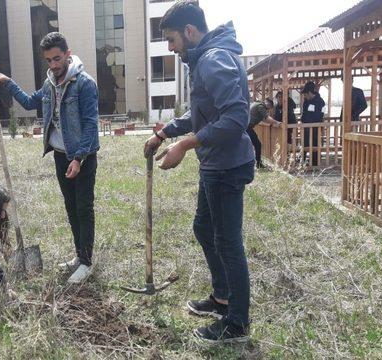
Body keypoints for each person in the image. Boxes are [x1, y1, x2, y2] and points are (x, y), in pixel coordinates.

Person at [144, 1, 254, 344]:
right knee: (204, 228)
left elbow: (237, 118)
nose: (171, 48)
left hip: (228, 165)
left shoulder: (213, 60)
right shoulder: (205, 59)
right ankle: (221, 297)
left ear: (190, 31)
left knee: (228, 243)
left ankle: (236, 323)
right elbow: (201, 115)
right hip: (214, 163)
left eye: (173, 40)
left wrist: (185, 145)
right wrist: (165, 133)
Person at [0, 32, 99, 284]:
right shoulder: (49, 84)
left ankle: (87, 262)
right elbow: (27, 102)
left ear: (68, 54)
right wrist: (7, 82)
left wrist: (79, 158)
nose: (54, 65)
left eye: (57, 59)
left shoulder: (84, 84)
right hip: (60, 157)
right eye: (48, 60)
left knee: (83, 208)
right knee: (70, 207)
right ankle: (79, 256)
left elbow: (91, 125)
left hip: (83, 158)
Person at [248, 99, 281, 169]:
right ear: (269, 104)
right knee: (257, 144)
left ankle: (256, 163)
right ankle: (258, 164)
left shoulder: (258, 104)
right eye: (270, 108)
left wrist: (271, 123)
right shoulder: (261, 106)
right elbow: (266, 117)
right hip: (247, 128)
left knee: (252, 145)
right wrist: (276, 122)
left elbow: (263, 119)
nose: (269, 110)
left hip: (246, 127)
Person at [300, 81, 325, 167]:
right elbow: (304, 114)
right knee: (304, 144)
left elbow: (319, 116)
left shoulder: (321, 102)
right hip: (305, 128)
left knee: (315, 145)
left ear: (310, 93)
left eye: (305, 95)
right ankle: (302, 162)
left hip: (315, 129)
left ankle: (315, 164)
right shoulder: (306, 101)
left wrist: (308, 121)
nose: (305, 97)